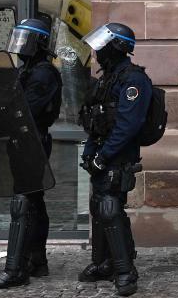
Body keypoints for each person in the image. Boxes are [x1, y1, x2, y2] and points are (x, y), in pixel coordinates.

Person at [77, 22, 152, 297]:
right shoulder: (107, 78)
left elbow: (127, 126)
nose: (97, 52)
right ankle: (104, 263)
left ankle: (125, 271)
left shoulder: (134, 80)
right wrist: (91, 154)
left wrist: (104, 156)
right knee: (99, 208)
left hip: (118, 155)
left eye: (103, 46)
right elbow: (95, 121)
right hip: (100, 151)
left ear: (117, 48)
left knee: (110, 207)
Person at [0, 19, 63, 289]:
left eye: (24, 39)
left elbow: (25, 109)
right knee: (34, 201)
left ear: (38, 43)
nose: (19, 46)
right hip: (23, 141)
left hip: (33, 141)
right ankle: (37, 260)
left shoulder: (43, 73)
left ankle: (16, 268)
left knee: (23, 203)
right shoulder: (28, 70)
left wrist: (0, 117)